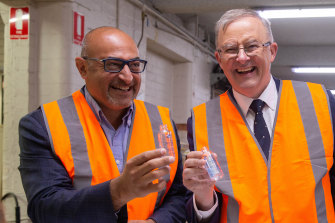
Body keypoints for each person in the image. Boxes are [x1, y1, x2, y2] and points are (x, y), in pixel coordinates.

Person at [18, 27, 187, 223]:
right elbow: (45, 208)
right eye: (113, 64)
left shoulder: (162, 121)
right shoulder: (43, 124)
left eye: (134, 65)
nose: (127, 77)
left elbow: (178, 195)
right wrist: (118, 192)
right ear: (83, 68)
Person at [183, 9, 335, 222]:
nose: (242, 57)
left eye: (252, 46)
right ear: (219, 58)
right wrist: (203, 196)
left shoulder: (320, 101)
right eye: (230, 49)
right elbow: (206, 211)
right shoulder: (201, 121)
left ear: (272, 51)